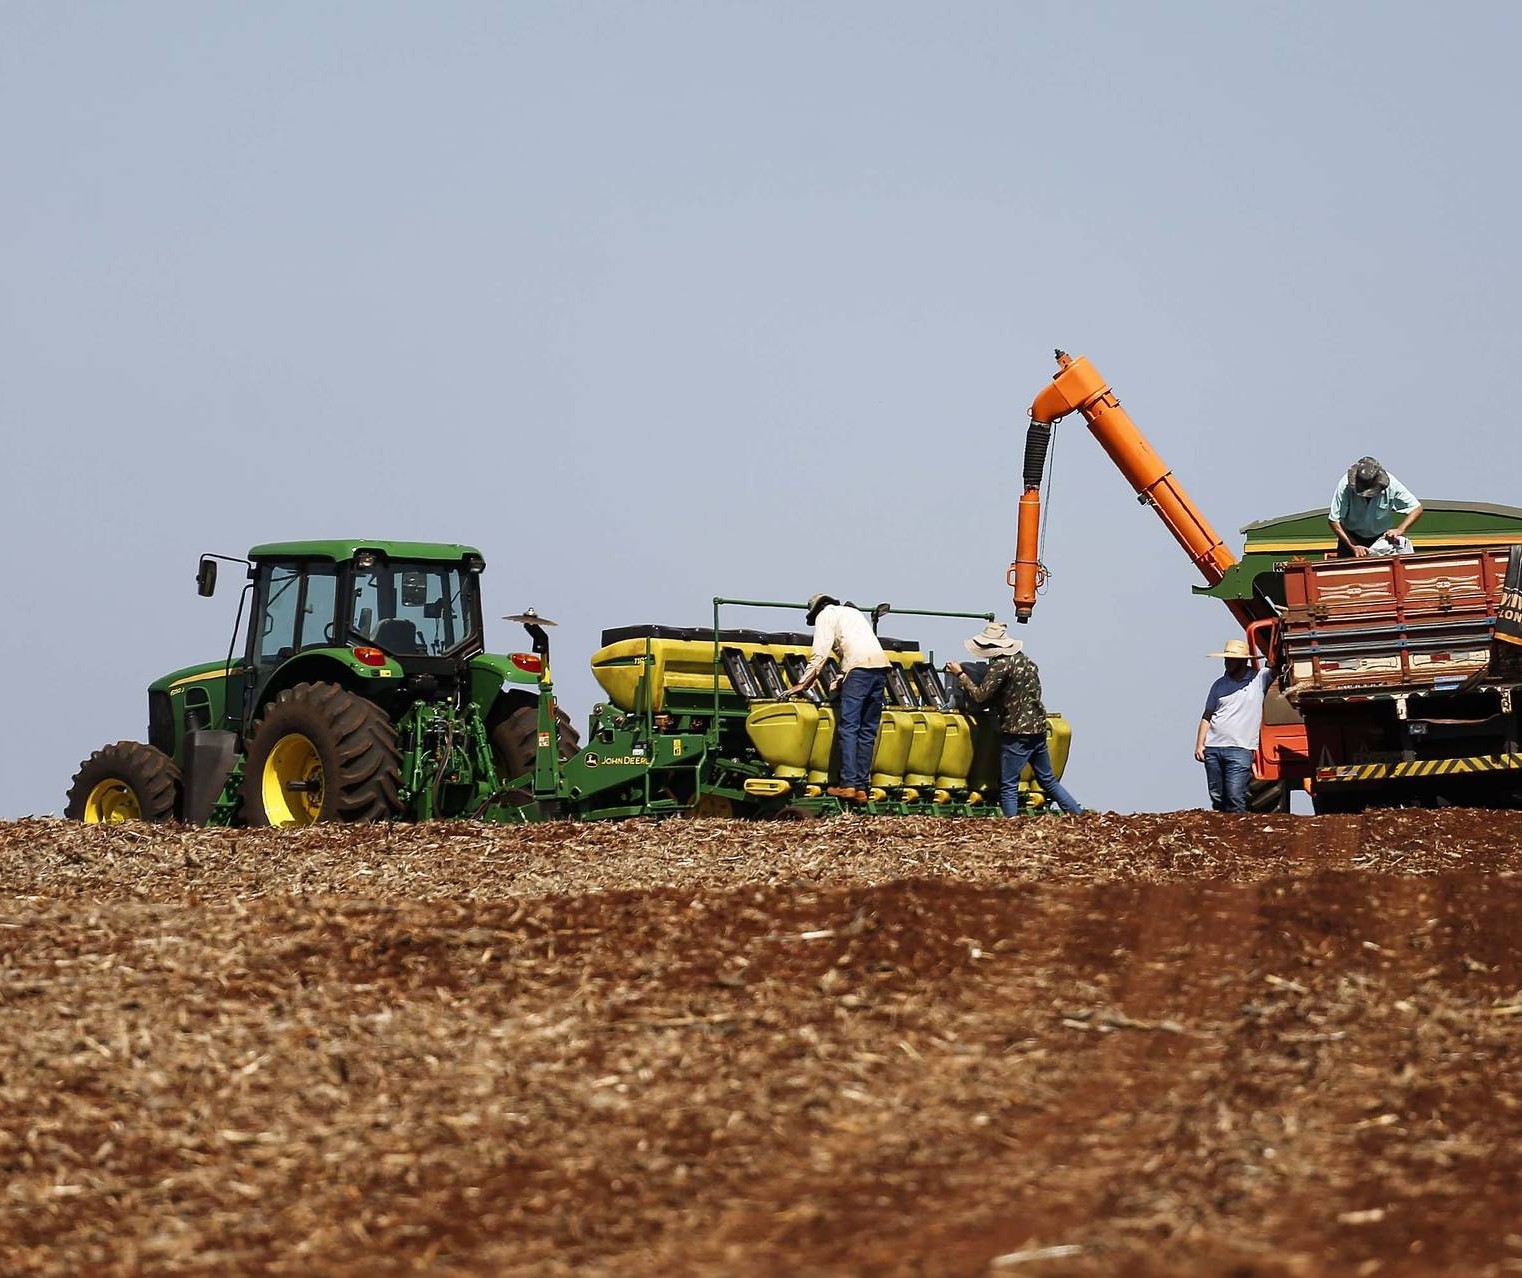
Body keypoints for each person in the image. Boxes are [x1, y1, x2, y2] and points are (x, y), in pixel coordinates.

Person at [946, 622, 1083, 817]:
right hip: (1038, 727)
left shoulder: (1001, 666)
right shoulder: (1027, 662)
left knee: (1009, 783)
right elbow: (1020, 693)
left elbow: (980, 695)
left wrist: (959, 674)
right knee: (1047, 779)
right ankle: (1078, 814)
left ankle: (1011, 825)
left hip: (1017, 731)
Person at [781, 593, 890, 803]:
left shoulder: (825, 616)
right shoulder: (853, 613)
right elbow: (853, 649)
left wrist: (802, 683)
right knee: (868, 731)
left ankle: (847, 784)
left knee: (849, 727)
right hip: (880, 668)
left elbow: (820, 654)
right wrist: (841, 678)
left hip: (858, 671)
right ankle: (861, 788)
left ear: (817, 610)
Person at [1195, 637, 1275, 812]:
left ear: (1243, 661)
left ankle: (1241, 833)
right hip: (1213, 747)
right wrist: (1200, 744)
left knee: (1234, 796)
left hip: (1240, 748)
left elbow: (1275, 664)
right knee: (1218, 797)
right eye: (1226, 659)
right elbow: (1207, 716)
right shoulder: (1218, 685)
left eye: (1232, 659)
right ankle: (1223, 833)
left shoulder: (1259, 679)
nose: (1228, 663)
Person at [1329, 456, 1422, 558]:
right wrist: (1353, 545)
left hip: (1381, 540)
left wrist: (1400, 530)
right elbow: (1334, 520)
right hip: (1350, 538)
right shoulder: (1345, 486)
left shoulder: (1393, 485)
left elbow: (1416, 508)